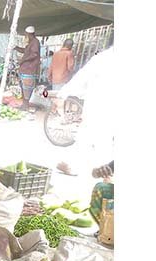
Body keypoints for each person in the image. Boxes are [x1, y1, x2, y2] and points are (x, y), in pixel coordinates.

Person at [54, 47, 115, 177]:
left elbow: (81, 77)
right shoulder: (104, 58)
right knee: (97, 138)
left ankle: (101, 171)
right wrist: (63, 94)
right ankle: (104, 173)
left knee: (93, 137)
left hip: (99, 106)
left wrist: (63, 94)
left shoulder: (103, 58)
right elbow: (81, 76)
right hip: (101, 106)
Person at [15, 26, 41, 110]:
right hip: (25, 70)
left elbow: (34, 54)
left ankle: (26, 105)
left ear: (29, 34)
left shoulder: (35, 42)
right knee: (24, 88)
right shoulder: (31, 43)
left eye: (26, 35)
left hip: (29, 70)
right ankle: (24, 105)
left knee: (27, 88)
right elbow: (25, 51)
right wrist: (16, 48)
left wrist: (23, 61)